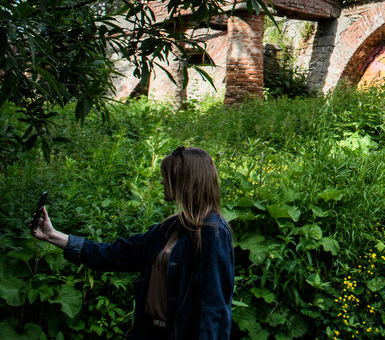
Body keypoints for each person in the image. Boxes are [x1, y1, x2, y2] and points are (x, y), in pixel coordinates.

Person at [30, 146, 234, 340]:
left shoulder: (211, 232)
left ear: (185, 179)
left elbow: (214, 310)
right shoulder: (169, 228)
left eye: (167, 176)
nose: (162, 182)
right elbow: (113, 255)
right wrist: (52, 235)